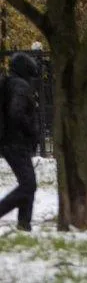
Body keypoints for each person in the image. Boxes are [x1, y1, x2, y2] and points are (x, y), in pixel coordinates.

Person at [0, 53, 40, 231]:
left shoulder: (11, 83)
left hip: (11, 141)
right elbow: (16, 113)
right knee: (28, 184)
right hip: (15, 142)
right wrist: (31, 131)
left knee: (28, 183)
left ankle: (24, 224)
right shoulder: (21, 86)